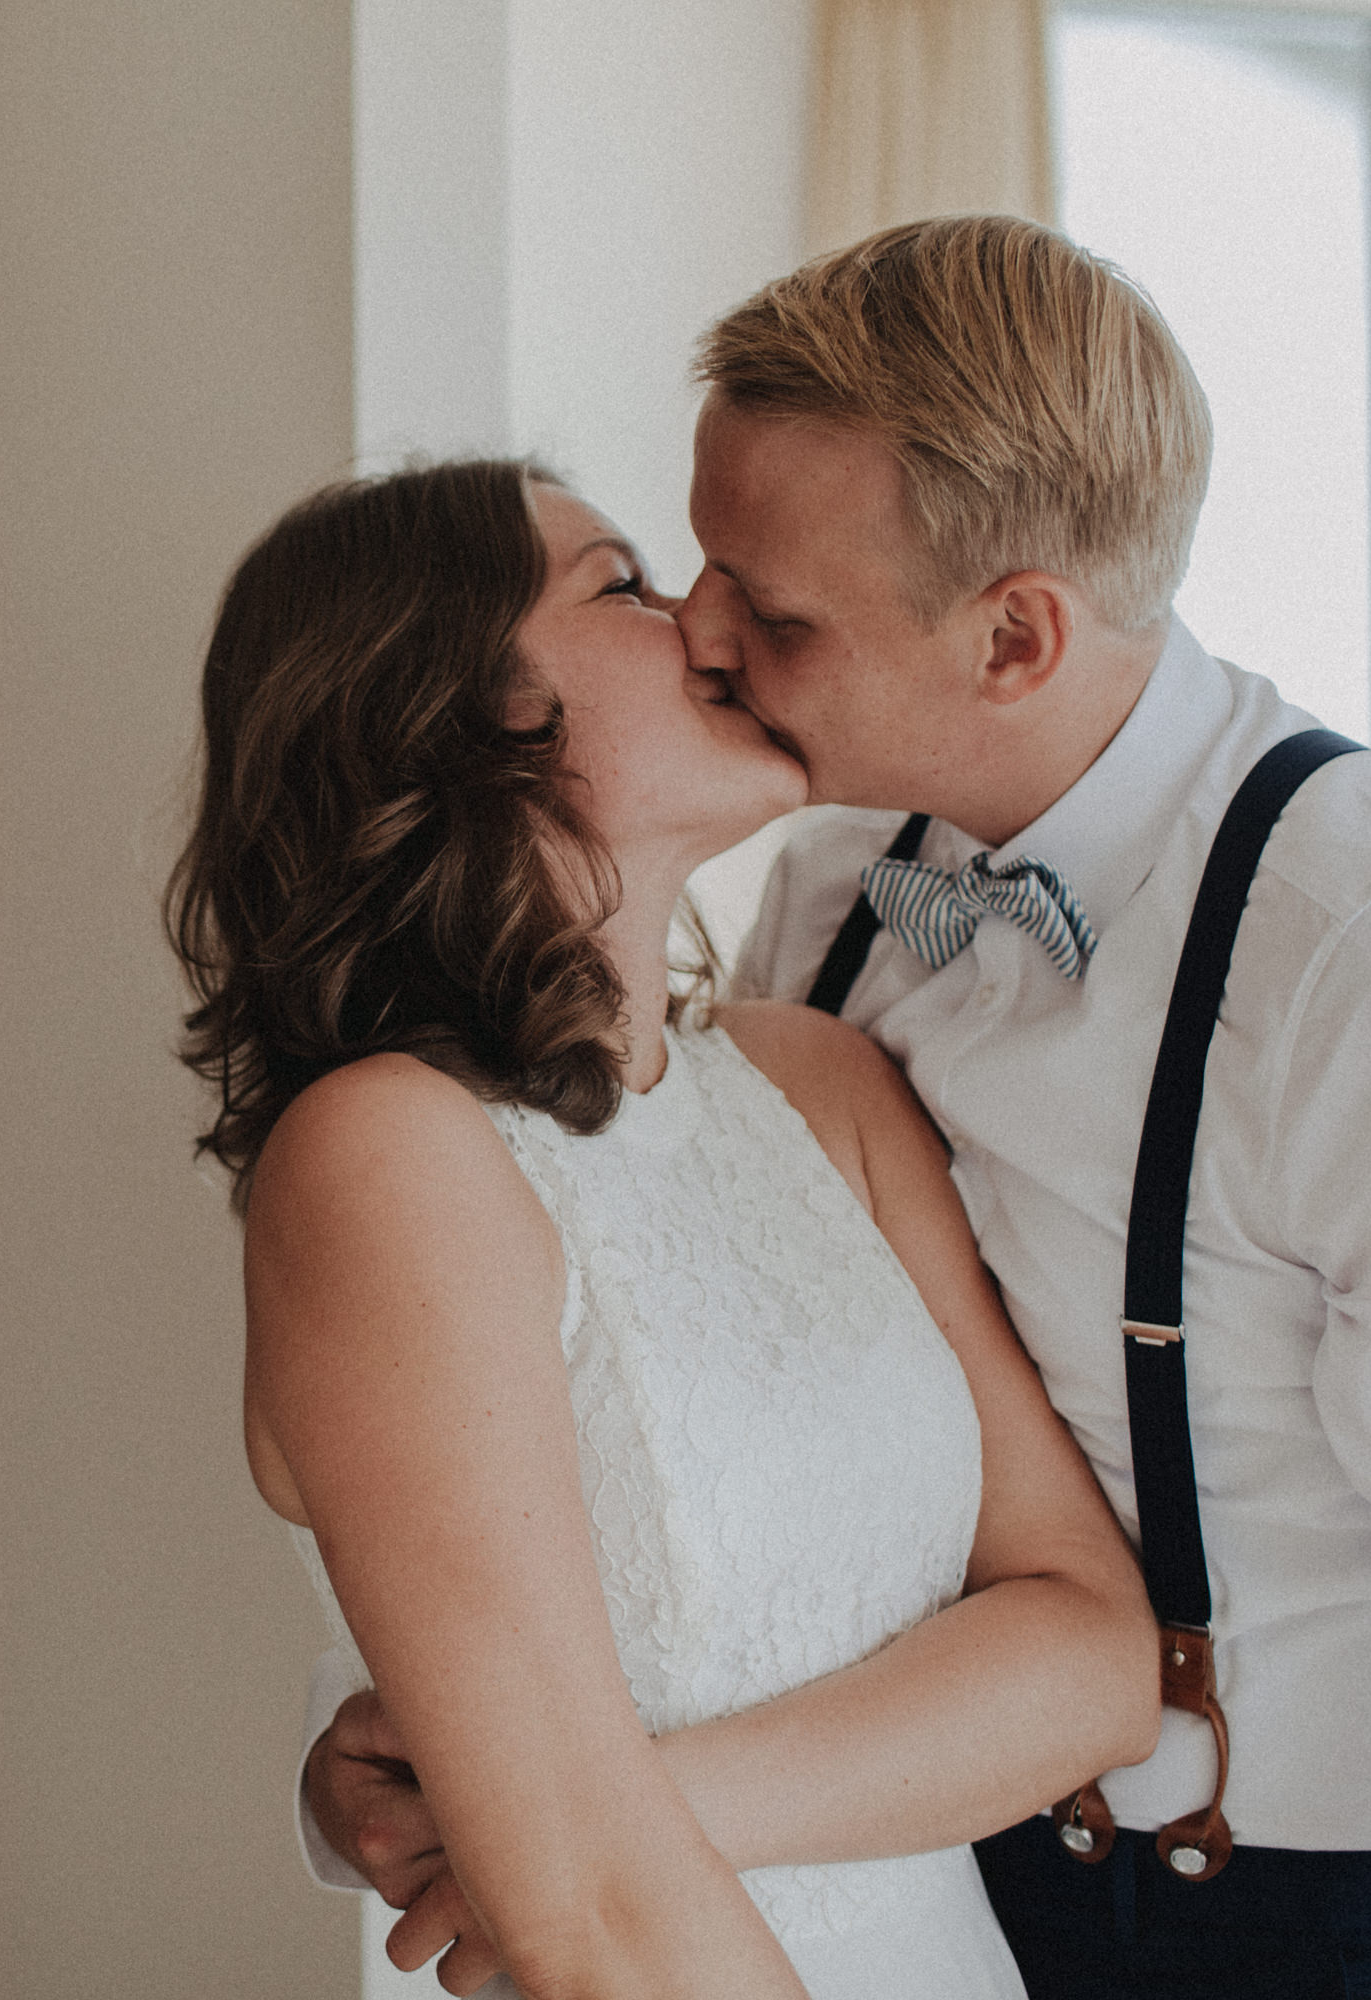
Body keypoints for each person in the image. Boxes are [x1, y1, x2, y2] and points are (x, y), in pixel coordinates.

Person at [303, 217, 1371, 1999]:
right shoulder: (832, 896)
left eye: (773, 610)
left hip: (1308, 1933)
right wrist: (472, 1769)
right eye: (698, 564)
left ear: (1015, 635)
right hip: (908, 1877)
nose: (704, 635)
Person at [173, 454, 1160, 1998]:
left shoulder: (817, 1085)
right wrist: (554, 1846)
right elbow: (585, 1922)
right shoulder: (384, 1157)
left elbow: (1099, 1657)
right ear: (463, 712)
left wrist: (586, 1817)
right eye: (622, 585)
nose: (712, 618)